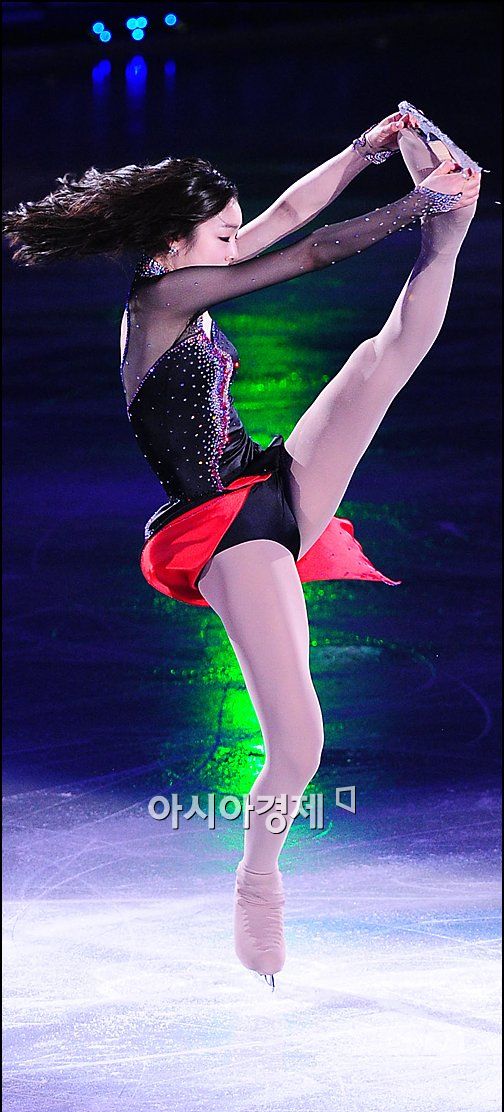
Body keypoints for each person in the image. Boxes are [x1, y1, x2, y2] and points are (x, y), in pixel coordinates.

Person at [2, 108, 481, 988]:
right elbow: (309, 251)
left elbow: (289, 216)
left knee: (380, 362)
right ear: (172, 244)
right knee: (299, 744)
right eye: (223, 233)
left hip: (264, 481)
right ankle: (258, 879)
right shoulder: (159, 302)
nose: (238, 239)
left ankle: (450, 236)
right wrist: (412, 200)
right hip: (225, 533)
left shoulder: (189, 267)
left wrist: (363, 153)